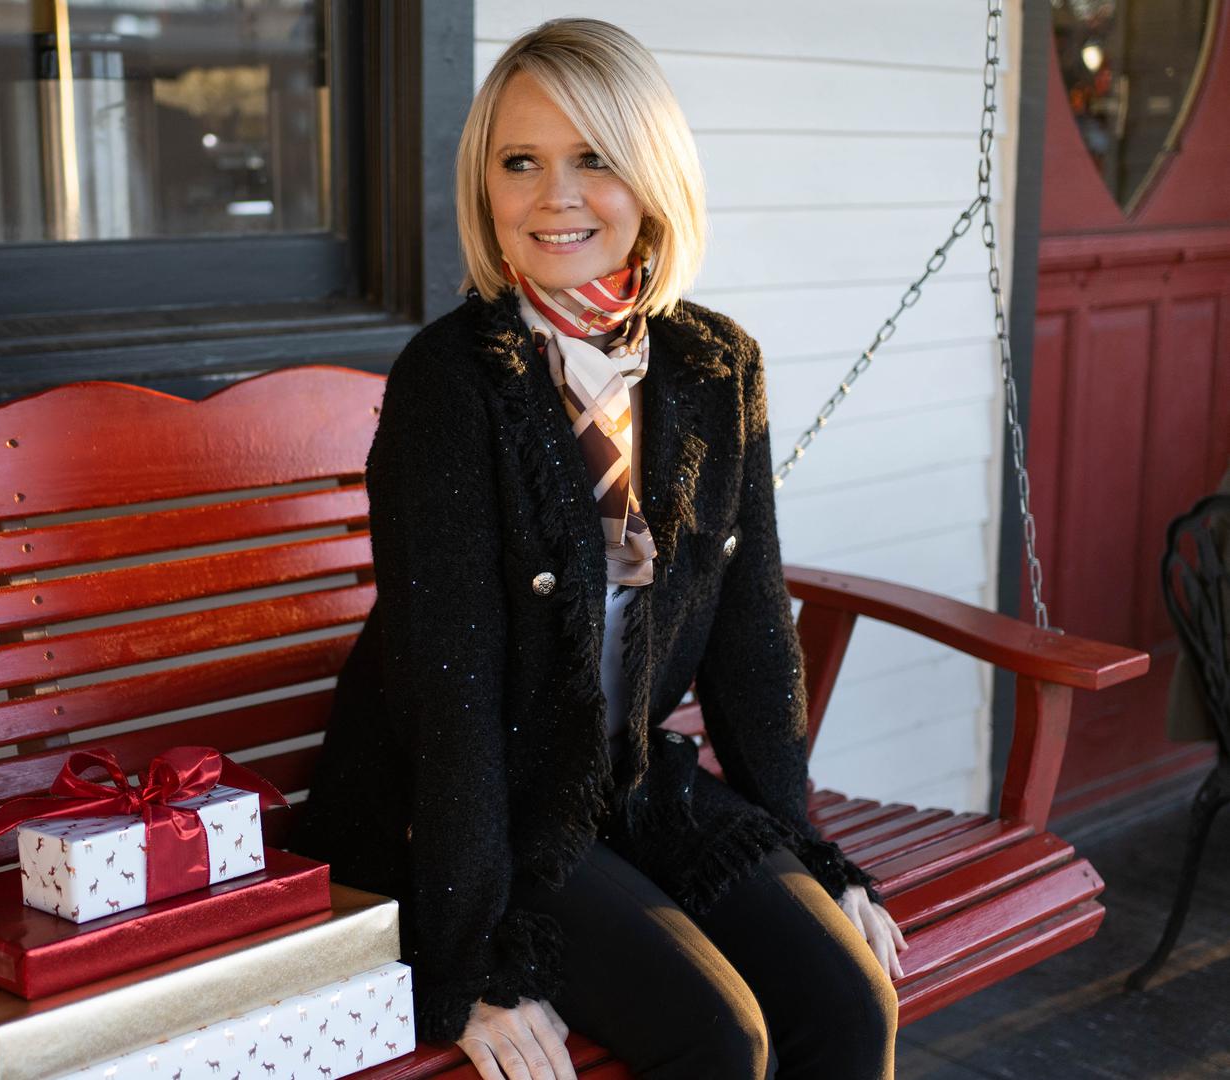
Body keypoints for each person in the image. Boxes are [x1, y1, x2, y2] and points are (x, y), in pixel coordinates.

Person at [290, 18, 905, 1079]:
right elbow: (449, 698)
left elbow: (751, 635)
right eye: (518, 162)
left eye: (592, 158)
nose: (553, 196)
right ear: (483, 184)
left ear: (651, 175)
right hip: (462, 808)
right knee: (719, 1038)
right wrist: (467, 956)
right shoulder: (451, 384)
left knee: (848, 1000)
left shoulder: (714, 364)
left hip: (621, 778)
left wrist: (800, 844)